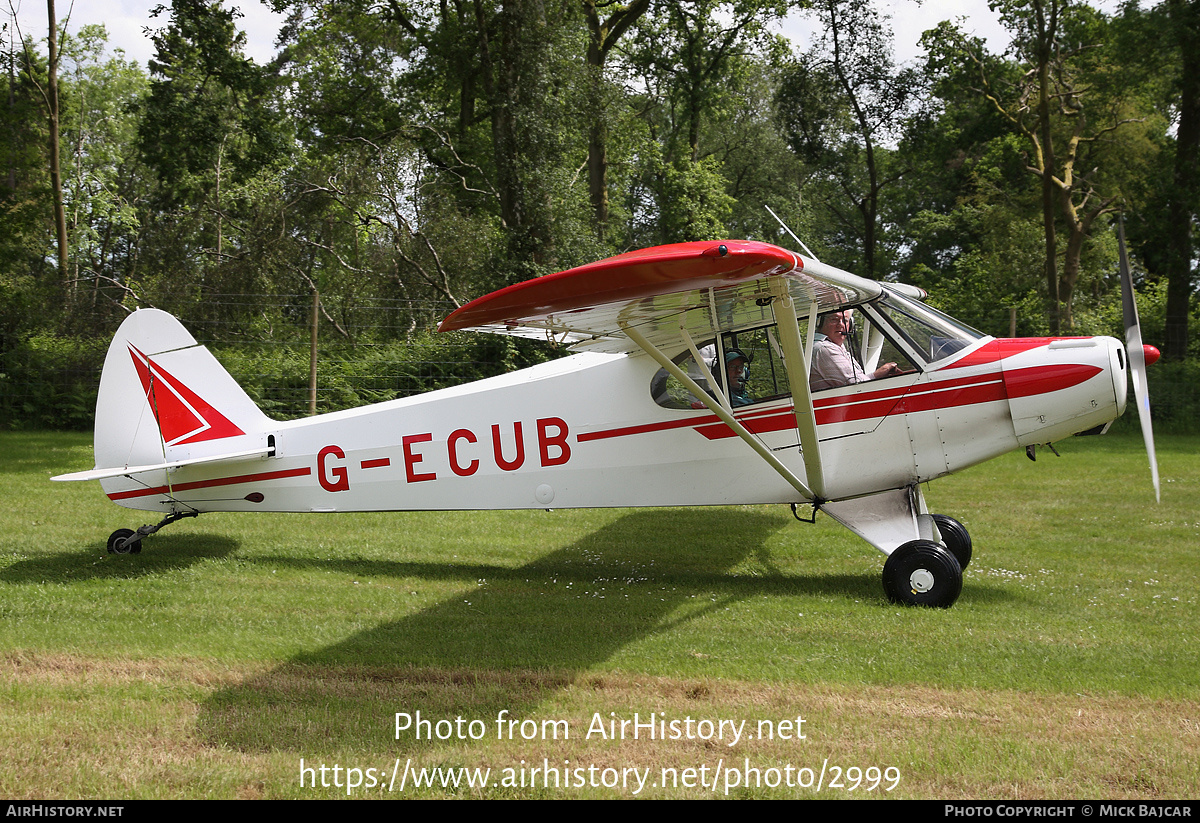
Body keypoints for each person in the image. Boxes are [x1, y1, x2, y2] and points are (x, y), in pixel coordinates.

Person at [810, 310, 901, 391]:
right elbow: (858, 386)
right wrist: (881, 372)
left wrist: (880, 374)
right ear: (819, 323)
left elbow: (857, 382)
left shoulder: (836, 347)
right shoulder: (825, 349)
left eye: (845, 320)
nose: (841, 324)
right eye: (834, 320)